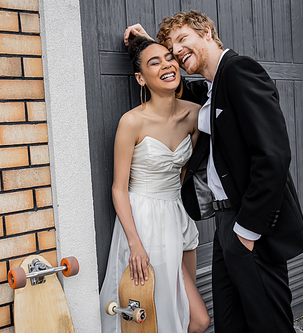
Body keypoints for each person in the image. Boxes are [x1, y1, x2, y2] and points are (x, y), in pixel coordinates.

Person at [124, 9, 303, 333]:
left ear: (207, 33)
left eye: (183, 40)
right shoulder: (210, 88)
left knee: (269, 323)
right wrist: (147, 44)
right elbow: (168, 79)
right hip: (226, 224)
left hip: (251, 225)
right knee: (230, 321)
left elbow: (274, 156)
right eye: (172, 47)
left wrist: (248, 231)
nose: (177, 52)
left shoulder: (240, 72)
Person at [99, 36, 210, 333]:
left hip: (180, 215)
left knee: (186, 316)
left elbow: (188, 171)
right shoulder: (132, 122)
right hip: (145, 221)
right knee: (165, 315)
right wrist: (135, 243)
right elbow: (118, 188)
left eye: (169, 58)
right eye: (154, 63)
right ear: (140, 78)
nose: (166, 65)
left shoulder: (194, 115)